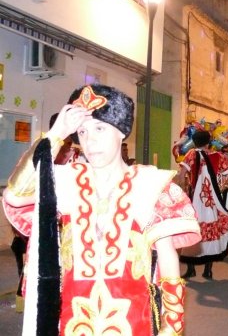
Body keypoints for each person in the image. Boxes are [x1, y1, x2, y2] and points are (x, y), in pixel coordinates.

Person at [2, 84, 201, 335]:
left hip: (134, 323)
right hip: (71, 322)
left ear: (121, 132)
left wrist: (172, 327)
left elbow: (168, 259)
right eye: (82, 132)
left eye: (99, 128)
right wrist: (56, 133)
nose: (90, 140)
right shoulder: (65, 181)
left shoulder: (150, 184)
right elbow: (15, 194)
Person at [179, 129, 228, 280]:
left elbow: (182, 175)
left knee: (192, 229)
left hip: (194, 200)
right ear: (208, 142)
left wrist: (182, 189)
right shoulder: (218, 156)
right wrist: (223, 187)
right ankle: (208, 270)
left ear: (194, 142)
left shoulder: (191, 155)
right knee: (211, 229)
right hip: (211, 200)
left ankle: (191, 269)